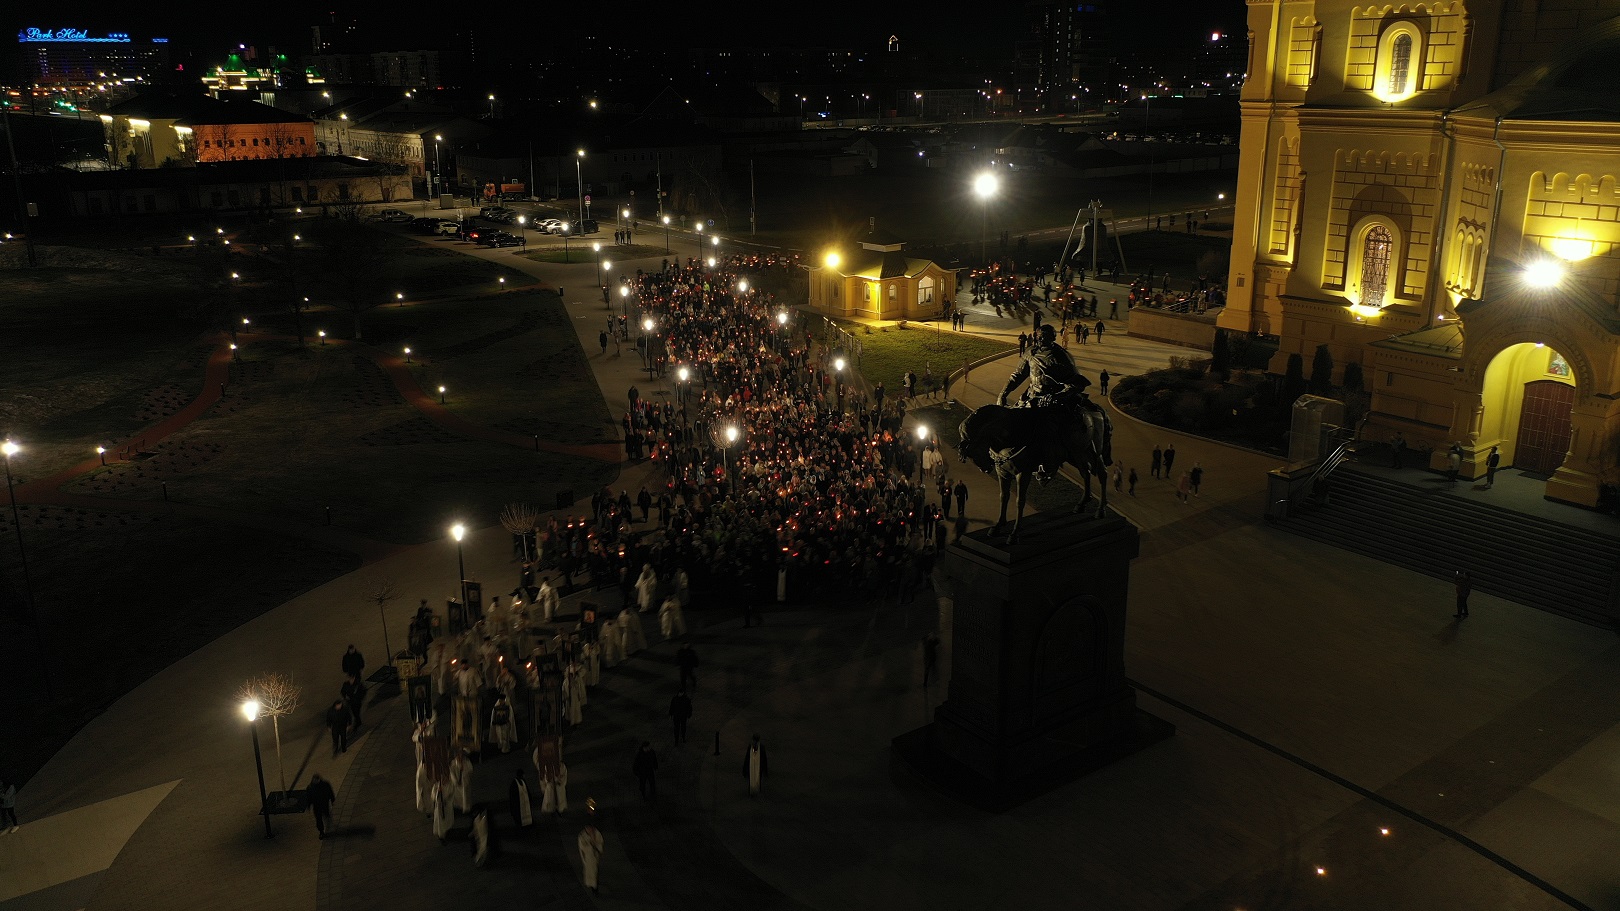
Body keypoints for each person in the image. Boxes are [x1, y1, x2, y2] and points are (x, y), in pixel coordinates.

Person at [578, 821, 604, 893]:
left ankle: (595, 885)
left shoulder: (597, 833)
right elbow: (582, 847)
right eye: (588, 829)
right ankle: (593, 887)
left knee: (595, 871)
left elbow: (600, 843)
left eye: (590, 828)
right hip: (588, 857)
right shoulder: (582, 836)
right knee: (590, 872)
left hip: (595, 856)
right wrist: (591, 844)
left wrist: (595, 844)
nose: (589, 830)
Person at [308, 773, 336, 838]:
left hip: (324, 804)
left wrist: (332, 800)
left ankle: (328, 825)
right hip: (317, 806)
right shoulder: (310, 787)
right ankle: (321, 831)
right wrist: (309, 805)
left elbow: (330, 792)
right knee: (319, 819)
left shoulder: (325, 785)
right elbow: (309, 797)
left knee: (326, 815)